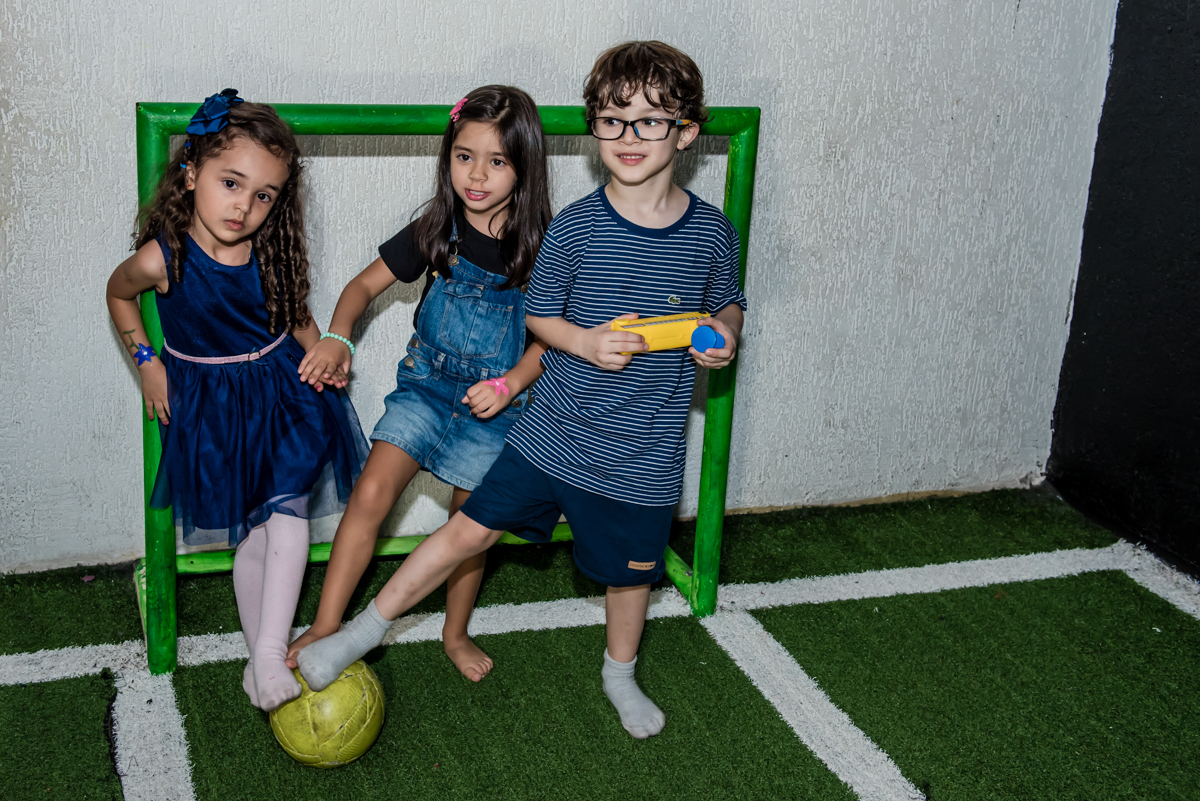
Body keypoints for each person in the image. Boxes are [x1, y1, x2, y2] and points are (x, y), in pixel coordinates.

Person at [296, 40, 746, 740]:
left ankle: (606, 667)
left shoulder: (692, 234)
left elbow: (724, 302)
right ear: (593, 127)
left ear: (686, 132)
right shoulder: (557, 230)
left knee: (615, 571)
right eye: (613, 120)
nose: (630, 137)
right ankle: (350, 630)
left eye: (651, 121)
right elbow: (544, 320)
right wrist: (341, 336)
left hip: (603, 435)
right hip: (497, 412)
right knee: (433, 518)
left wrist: (724, 332)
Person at [105, 90, 368, 711]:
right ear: (191, 171)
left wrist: (328, 349)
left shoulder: (269, 254)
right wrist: (145, 361)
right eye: (231, 182)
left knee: (288, 515)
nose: (243, 206)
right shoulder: (161, 257)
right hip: (215, 408)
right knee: (251, 536)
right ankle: (262, 657)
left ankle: (271, 654)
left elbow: (294, 319)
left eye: (263, 195)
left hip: (282, 393)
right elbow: (117, 295)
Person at [283, 86, 551, 682]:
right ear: (447, 156)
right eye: (464, 156)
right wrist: (339, 338)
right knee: (371, 493)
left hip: (495, 410)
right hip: (426, 390)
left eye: (497, 161)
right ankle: (329, 623)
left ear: (525, 166)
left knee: (468, 525)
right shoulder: (436, 228)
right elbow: (358, 289)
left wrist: (509, 384)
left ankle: (455, 632)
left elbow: (546, 341)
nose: (476, 176)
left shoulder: (541, 247)